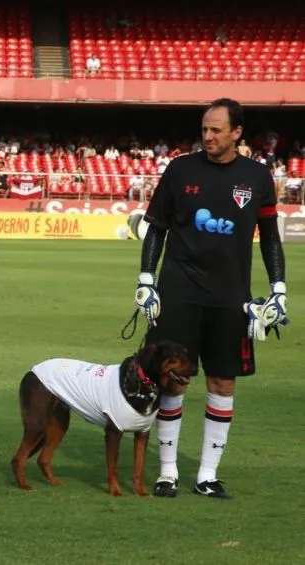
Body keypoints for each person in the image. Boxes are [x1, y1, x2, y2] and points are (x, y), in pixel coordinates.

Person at [135, 98, 287, 500]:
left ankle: (206, 475)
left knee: (223, 382)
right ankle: (167, 472)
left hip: (231, 298)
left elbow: (270, 238)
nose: (208, 136)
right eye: (204, 128)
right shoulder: (180, 169)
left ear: (237, 132)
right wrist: (147, 278)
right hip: (178, 292)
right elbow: (156, 227)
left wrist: (279, 288)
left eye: (216, 129)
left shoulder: (257, 176)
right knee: (172, 381)